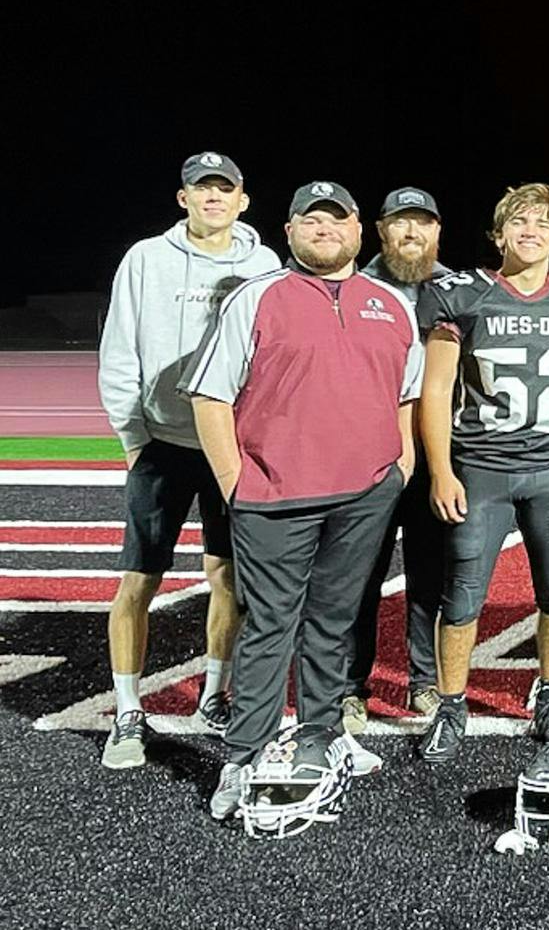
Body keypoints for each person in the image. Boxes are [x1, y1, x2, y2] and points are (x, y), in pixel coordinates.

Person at [186, 180, 422, 819]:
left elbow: (406, 395)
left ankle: (323, 735)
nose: (324, 229)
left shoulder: (392, 303)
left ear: (357, 230)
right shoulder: (257, 297)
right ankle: (244, 756)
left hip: (365, 494)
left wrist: (398, 466)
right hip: (274, 495)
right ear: (287, 231)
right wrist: (237, 481)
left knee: (334, 622)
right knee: (269, 625)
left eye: (336, 219)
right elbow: (210, 396)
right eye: (309, 220)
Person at [97, 151, 281, 768]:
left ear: (242, 200)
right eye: (201, 189)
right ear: (183, 198)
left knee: (228, 578)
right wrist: (132, 438)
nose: (212, 199)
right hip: (164, 444)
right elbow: (120, 349)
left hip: (231, 442)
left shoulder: (264, 264)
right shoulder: (146, 259)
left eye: (223, 189)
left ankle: (215, 693)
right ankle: (128, 712)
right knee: (138, 580)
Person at [416, 184, 549, 761]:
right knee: (465, 593)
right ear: (499, 234)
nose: (531, 231)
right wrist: (441, 471)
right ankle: (451, 705)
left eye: (544, 224)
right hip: (482, 468)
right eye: (519, 222)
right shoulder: (463, 295)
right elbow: (436, 390)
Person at [345, 186, 453, 729]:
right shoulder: (349, 286)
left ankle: (424, 684)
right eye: (401, 223)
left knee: (430, 577)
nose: (412, 233)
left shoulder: (456, 291)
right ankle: (349, 687)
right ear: (381, 230)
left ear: (438, 232)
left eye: (423, 224)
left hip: (434, 457)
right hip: (366, 456)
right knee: (357, 576)